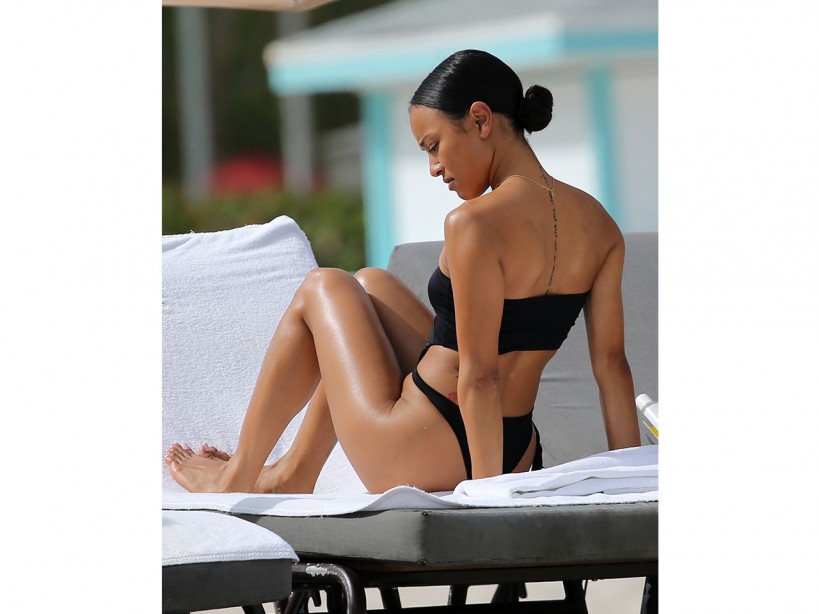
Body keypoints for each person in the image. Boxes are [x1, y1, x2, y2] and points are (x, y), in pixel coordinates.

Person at [164, 49, 641, 494]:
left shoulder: (474, 224)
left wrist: (489, 500)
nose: (434, 167)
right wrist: (635, 484)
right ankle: (293, 471)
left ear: (480, 120)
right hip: (517, 448)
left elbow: (480, 377)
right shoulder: (599, 225)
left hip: (433, 445)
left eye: (434, 146)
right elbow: (613, 368)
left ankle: (242, 475)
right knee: (370, 285)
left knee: (322, 285)